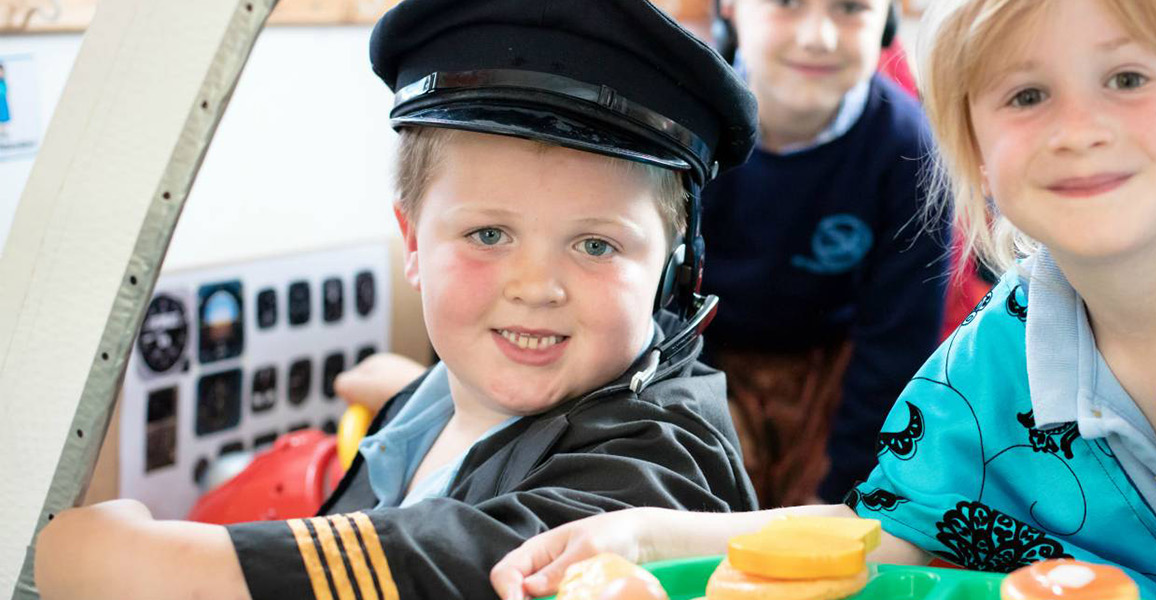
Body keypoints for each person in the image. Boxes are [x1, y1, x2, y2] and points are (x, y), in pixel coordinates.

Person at [33, 0, 765, 597]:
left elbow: (496, 560)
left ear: (672, 270)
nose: (536, 288)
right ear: (412, 243)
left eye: (596, 245)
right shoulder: (443, 396)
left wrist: (166, 566)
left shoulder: (668, 458)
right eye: (488, 234)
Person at [490, 0, 1156, 598]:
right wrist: (643, 535)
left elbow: (891, 346)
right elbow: (894, 531)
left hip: (836, 374)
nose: (1078, 131)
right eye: (1027, 96)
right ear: (975, 153)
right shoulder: (996, 353)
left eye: (1127, 78)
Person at [702, 0, 952, 507]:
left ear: (886, 20)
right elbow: (652, 303)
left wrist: (840, 489)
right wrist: (699, 395)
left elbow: (898, 344)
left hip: (839, 380)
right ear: (728, 7)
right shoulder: (681, 124)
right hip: (695, 358)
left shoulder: (911, 151)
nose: (819, 36)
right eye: (786, 3)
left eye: (851, 8)